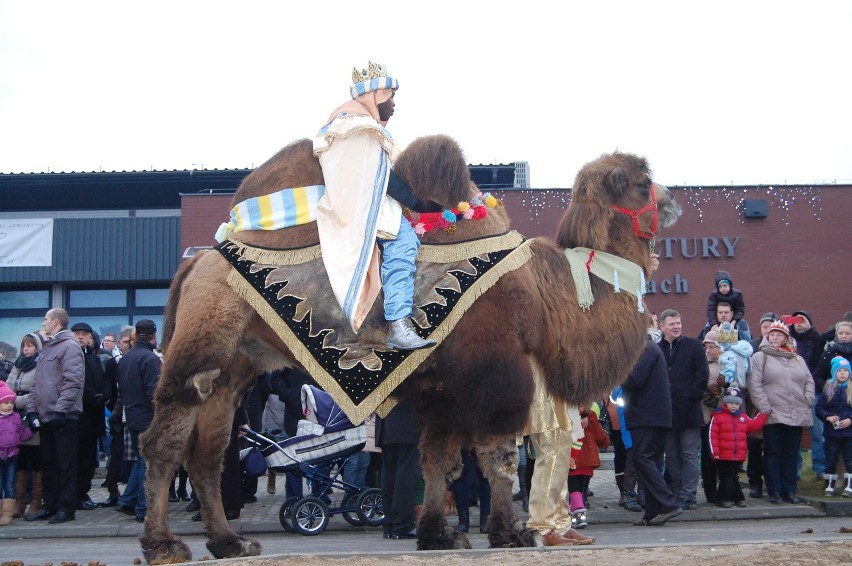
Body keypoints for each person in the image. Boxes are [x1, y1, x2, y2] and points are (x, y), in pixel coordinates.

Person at [312, 61, 436, 350]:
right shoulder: (359, 127)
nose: (393, 105)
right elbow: (381, 179)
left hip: (363, 201)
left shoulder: (352, 125)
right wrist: (420, 203)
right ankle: (398, 323)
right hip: (363, 206)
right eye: (389, 98)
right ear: (374, 95)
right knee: (403, 241)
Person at [25, 308, 85, 524]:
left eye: (46, 319)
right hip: (46, 415)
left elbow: (73, 381)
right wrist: (32, 409)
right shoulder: (47, 349)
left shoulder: (69, 346)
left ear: (56, 322)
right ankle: (50, 505)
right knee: (48, 463)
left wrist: (61, 409)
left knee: (65, 464)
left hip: (64, 416)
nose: (43, 323)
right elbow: (37, 384)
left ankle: (66, 508)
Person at [747, 320, 814, 504]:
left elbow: (809, 380)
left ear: (786, 337)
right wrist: (764, 407)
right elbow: (755, 384)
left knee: (791, 452)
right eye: (772, 334)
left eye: (779, 335)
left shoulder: (796, 358)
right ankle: (774, 491)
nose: (775, 337)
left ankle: (789, 490)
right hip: (773, 414)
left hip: (796, 412)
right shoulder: (760, 357)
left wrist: (808, 399)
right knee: (773, 452)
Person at [622, 330, 683, 527]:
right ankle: (652, 512)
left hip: (646, 415)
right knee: (652, 462)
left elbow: (635, 379)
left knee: (642, 458)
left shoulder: (645, 349)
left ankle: (668, 504)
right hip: (654, 415)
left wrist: (615, 371)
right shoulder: (651, 348)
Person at [657, 309, 709, 510]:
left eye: (678, 323)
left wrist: (690, 396)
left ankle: (689, 495)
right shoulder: (657, 349)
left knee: (688, 454)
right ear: (662, 327)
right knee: (671, 455)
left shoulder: (693, 346)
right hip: (666, 413)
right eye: (672, 324)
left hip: (689, 411)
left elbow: (702, 375)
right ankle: (676, 492)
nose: (676, 327)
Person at [115, 319, 161, 523]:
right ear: (153, 335)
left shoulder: (126, 358)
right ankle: (143, 509)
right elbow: (154, 392)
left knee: (140, 460)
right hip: (147, 418)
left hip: (131, 416)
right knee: (148, 463)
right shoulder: (150, 359)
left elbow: (122, 390)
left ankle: (128, 500)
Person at [69, 322, 110, 511]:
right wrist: (93, 395)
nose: (80, 336)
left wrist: (104, 394)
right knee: (75, 458)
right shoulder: (69, 357)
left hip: (93, 416)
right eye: (77, 333)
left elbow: (104, 380)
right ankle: (74, 495)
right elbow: (75, 383)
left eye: (84, 334)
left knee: (88, 459)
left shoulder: (93, 358)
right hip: (77, 416)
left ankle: (83, 493)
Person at [4, 332, 43, 519]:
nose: (26, 349)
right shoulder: (17, 365)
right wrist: (11, 400)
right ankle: (18, 501)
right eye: (24, 345)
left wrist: (15, 401)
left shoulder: (41, 365)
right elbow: (7, 387)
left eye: (30, 345)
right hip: (14, 418)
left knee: (35, 459)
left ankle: (36, 501)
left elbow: (37, 392)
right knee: (19, 460)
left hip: (31, 415)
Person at [708, 386, 767, 508]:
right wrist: (715, 452)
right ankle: (726, 498)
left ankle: (735, 497)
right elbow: (712, 436)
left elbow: (753, 425)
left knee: (733, 477)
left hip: (737, 454)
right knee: (726, 478)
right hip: (723, 455)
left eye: (736, 403)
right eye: (730, 403)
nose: (733, 406)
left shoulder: (743, 417)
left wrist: (762, 416)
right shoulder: (718, 417)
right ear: (725, 403)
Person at [786, 311, 826, 480]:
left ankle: (820, 469)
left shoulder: (817, 340)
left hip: (813, 392)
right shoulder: (788, 341)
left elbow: (820, 366)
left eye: (803, 321)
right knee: (794, 434)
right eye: (796, 321)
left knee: (817, 432)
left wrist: (812, 386)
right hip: (791, 394)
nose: (799, 324)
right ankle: (795, 470)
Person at [376, 398, 421, 539]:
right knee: (407, 474)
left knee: (389, 473)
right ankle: (403, 525)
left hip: (386, 424)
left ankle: (389, 524)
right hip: (406, 423)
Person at [568, 403, 609, 529]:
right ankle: (578, 510)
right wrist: (606, 442)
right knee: (582, 487)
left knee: (574, 487)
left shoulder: (567, 415)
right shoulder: (590, 415)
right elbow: (600, 436)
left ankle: (579, 512)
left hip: (573, 457)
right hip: (588, 459)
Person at [815, 357, 852, 496]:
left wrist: (850, 419)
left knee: (849, 458)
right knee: (831, 457)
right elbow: (819, 408)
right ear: (834, 372)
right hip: (832, 432)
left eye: (845, 371)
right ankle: (829, 485)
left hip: (849, 433)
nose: (842, 373)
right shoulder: (828, 388)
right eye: (839, 371)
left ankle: (849, 486)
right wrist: (828, 417)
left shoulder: (851, 388)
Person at [0, 382, 34, 525]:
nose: (9, 405)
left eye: (11, 403)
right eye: (5, 403)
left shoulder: (16, 417)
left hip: (12, 454)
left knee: (9, 484)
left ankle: (7, 513)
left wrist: (32, 429)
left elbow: (22, 434)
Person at [704, 270, 748, 335]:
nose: (723, 288)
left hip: (734, 318)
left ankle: (748, 341)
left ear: (730, 285)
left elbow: (740, 309)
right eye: (720, 287)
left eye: (725, 286)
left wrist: (734, 320)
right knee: (707, 327)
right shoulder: (714, 295)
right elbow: (711, 310)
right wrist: (714, 324)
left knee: (743, 327)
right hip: (718, 319)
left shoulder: (737, 294)